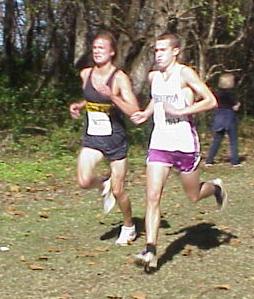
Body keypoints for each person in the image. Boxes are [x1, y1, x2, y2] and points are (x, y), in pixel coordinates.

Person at [130, 33, 228, 271]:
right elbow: (157, 100)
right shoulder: (154, 77)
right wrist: (146, 113)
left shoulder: (184, 73)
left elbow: (211, 101)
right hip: (160, 143)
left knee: (193, 195)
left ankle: (215, 187)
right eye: (155, 50)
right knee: (152, 197)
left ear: (176, 51)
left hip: (185, 144)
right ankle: (151, 250)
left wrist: (183, 111)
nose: (158, 55)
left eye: (162, 50)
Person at [69, 30, 140, 246]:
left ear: (112, 52)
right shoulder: (86, 74)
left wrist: (112, 96)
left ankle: (129, 226)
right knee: (83, 181)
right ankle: (103, 183)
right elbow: (91, 98)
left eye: (102, 47)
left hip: (115, 140)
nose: (97, 51)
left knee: (119, 191)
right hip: (92, 138)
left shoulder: (119, 78)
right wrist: (80, 106)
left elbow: (134, 111)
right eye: (94, 47)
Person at [205, 73, 241, 167]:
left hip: (219, 117)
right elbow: (234, 106)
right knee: (233, 141)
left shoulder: (216, 93)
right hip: (229, 118)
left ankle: (209, 160)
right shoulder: (231, 94)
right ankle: (235, 161)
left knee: (216, 140)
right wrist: (237, 105)